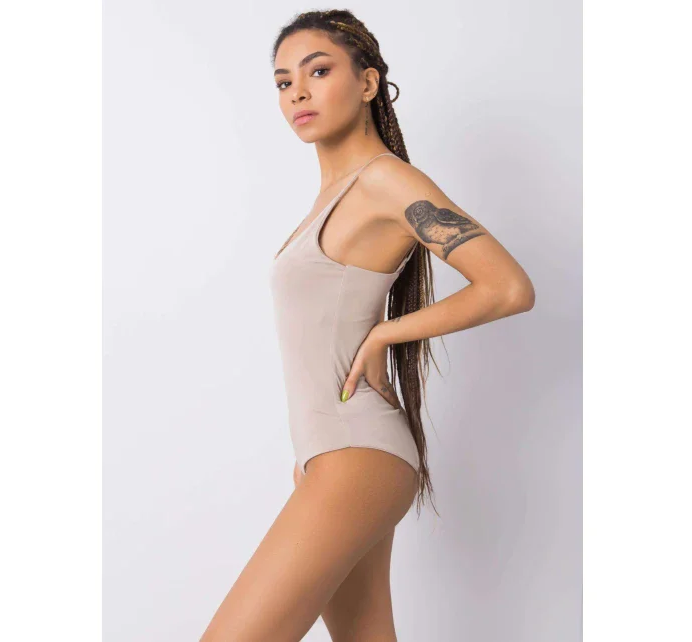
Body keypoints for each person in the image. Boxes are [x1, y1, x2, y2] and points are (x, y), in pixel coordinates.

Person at [201, 9, 535, 641]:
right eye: (283, 82)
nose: (297, 93)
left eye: (318, 71)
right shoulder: (333, 196)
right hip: (328, 456)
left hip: (356, 453)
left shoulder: (384, 180)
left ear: (368, 82)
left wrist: (386, 332)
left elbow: (508, 287)